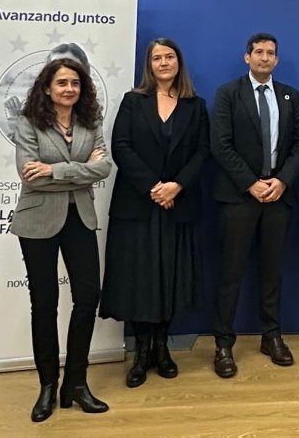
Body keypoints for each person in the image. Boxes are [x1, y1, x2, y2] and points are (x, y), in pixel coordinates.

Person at [99, 38, 209, 387]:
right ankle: (141, 352)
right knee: (139, 279)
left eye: (169, 57)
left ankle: (162, 347)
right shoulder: (134, 101)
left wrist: (176, 186)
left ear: (179, 62)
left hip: (178, 206)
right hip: (138, 205)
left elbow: (203, 152)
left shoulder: (195, 105)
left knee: (170, 279)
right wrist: (154, 187)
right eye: (157, 58)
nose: (163, 63)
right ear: (149, 64)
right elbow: (121, 146)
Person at [9, 58, 111, 421]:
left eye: (75, 83)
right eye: (62, 83)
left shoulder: (90, 122)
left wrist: (55, 169)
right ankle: (48, 386)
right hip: (37, 220)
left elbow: (104, 167)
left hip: (79, 217)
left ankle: (77, 383)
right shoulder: (28, 122)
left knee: (88, 297)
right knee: (45, 302)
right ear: (47, 88)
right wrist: (78, 172)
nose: (69, 89)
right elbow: (30, 175)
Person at [210, 33, 299, 376]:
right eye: (259, 53)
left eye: (271, 53)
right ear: (247, 57)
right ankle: (223, 344)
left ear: (277, 60)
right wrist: (251, 184)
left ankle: (272, 335)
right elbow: (220, 145)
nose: (265, 58)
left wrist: (281, 181)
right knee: (231, 273)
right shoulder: (228, 94)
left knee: (272, 271)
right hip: (239, 197)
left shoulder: (289, 96)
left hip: (278, 197)